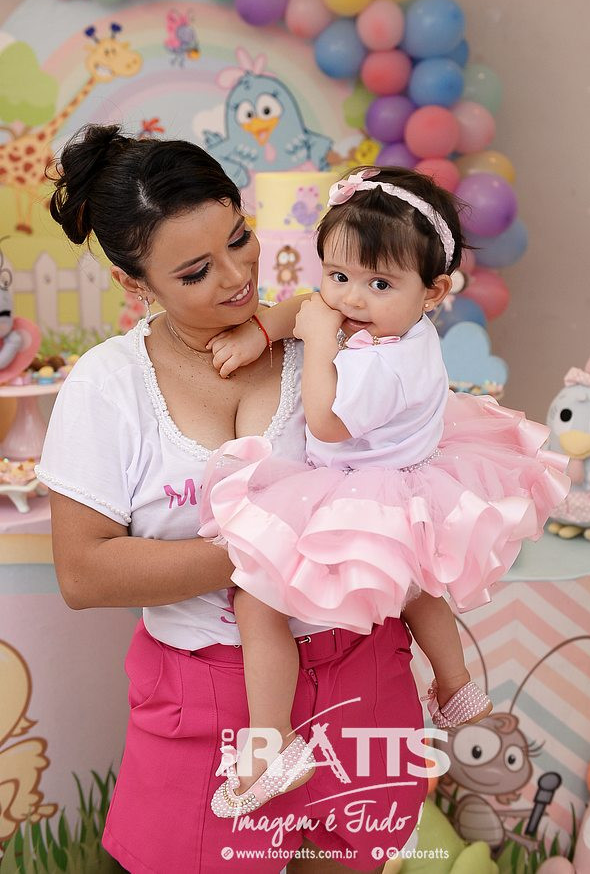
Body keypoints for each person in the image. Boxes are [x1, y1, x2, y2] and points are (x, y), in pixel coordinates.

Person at [37, 128, 429, 874]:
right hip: (207, 696)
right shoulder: (109, 385)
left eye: (240, 238)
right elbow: (84, 573)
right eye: (195, 272)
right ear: (134, 284)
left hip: (360, 672)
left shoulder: (331, 337)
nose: (236, 276)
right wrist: (269, 545)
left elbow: (408, 467)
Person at [199, 167, 571, 815]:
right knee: (419, 589)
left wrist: (318, 341)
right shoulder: (397, 325)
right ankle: (456, 686)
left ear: (434, 291)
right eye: (338, 274)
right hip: (411, 476)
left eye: (378, 284)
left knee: (257, 598)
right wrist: (262, 331)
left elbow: (325, 421)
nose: (350, 299)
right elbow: (307, 305)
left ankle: (270, 742)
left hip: (360, 485)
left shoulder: (383, 363)